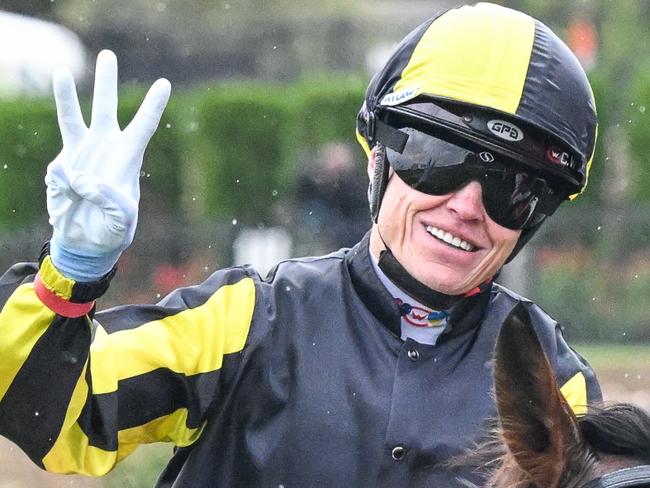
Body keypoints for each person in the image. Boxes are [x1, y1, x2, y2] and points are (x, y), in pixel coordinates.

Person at [0, 3, 602, 487]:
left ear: (538, 216)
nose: (467, 207)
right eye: (436, 160)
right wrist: (70, 273)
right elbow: (53, 419)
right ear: (378, 155)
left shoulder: (555, 386)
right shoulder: (247, 319)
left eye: (512, 189)